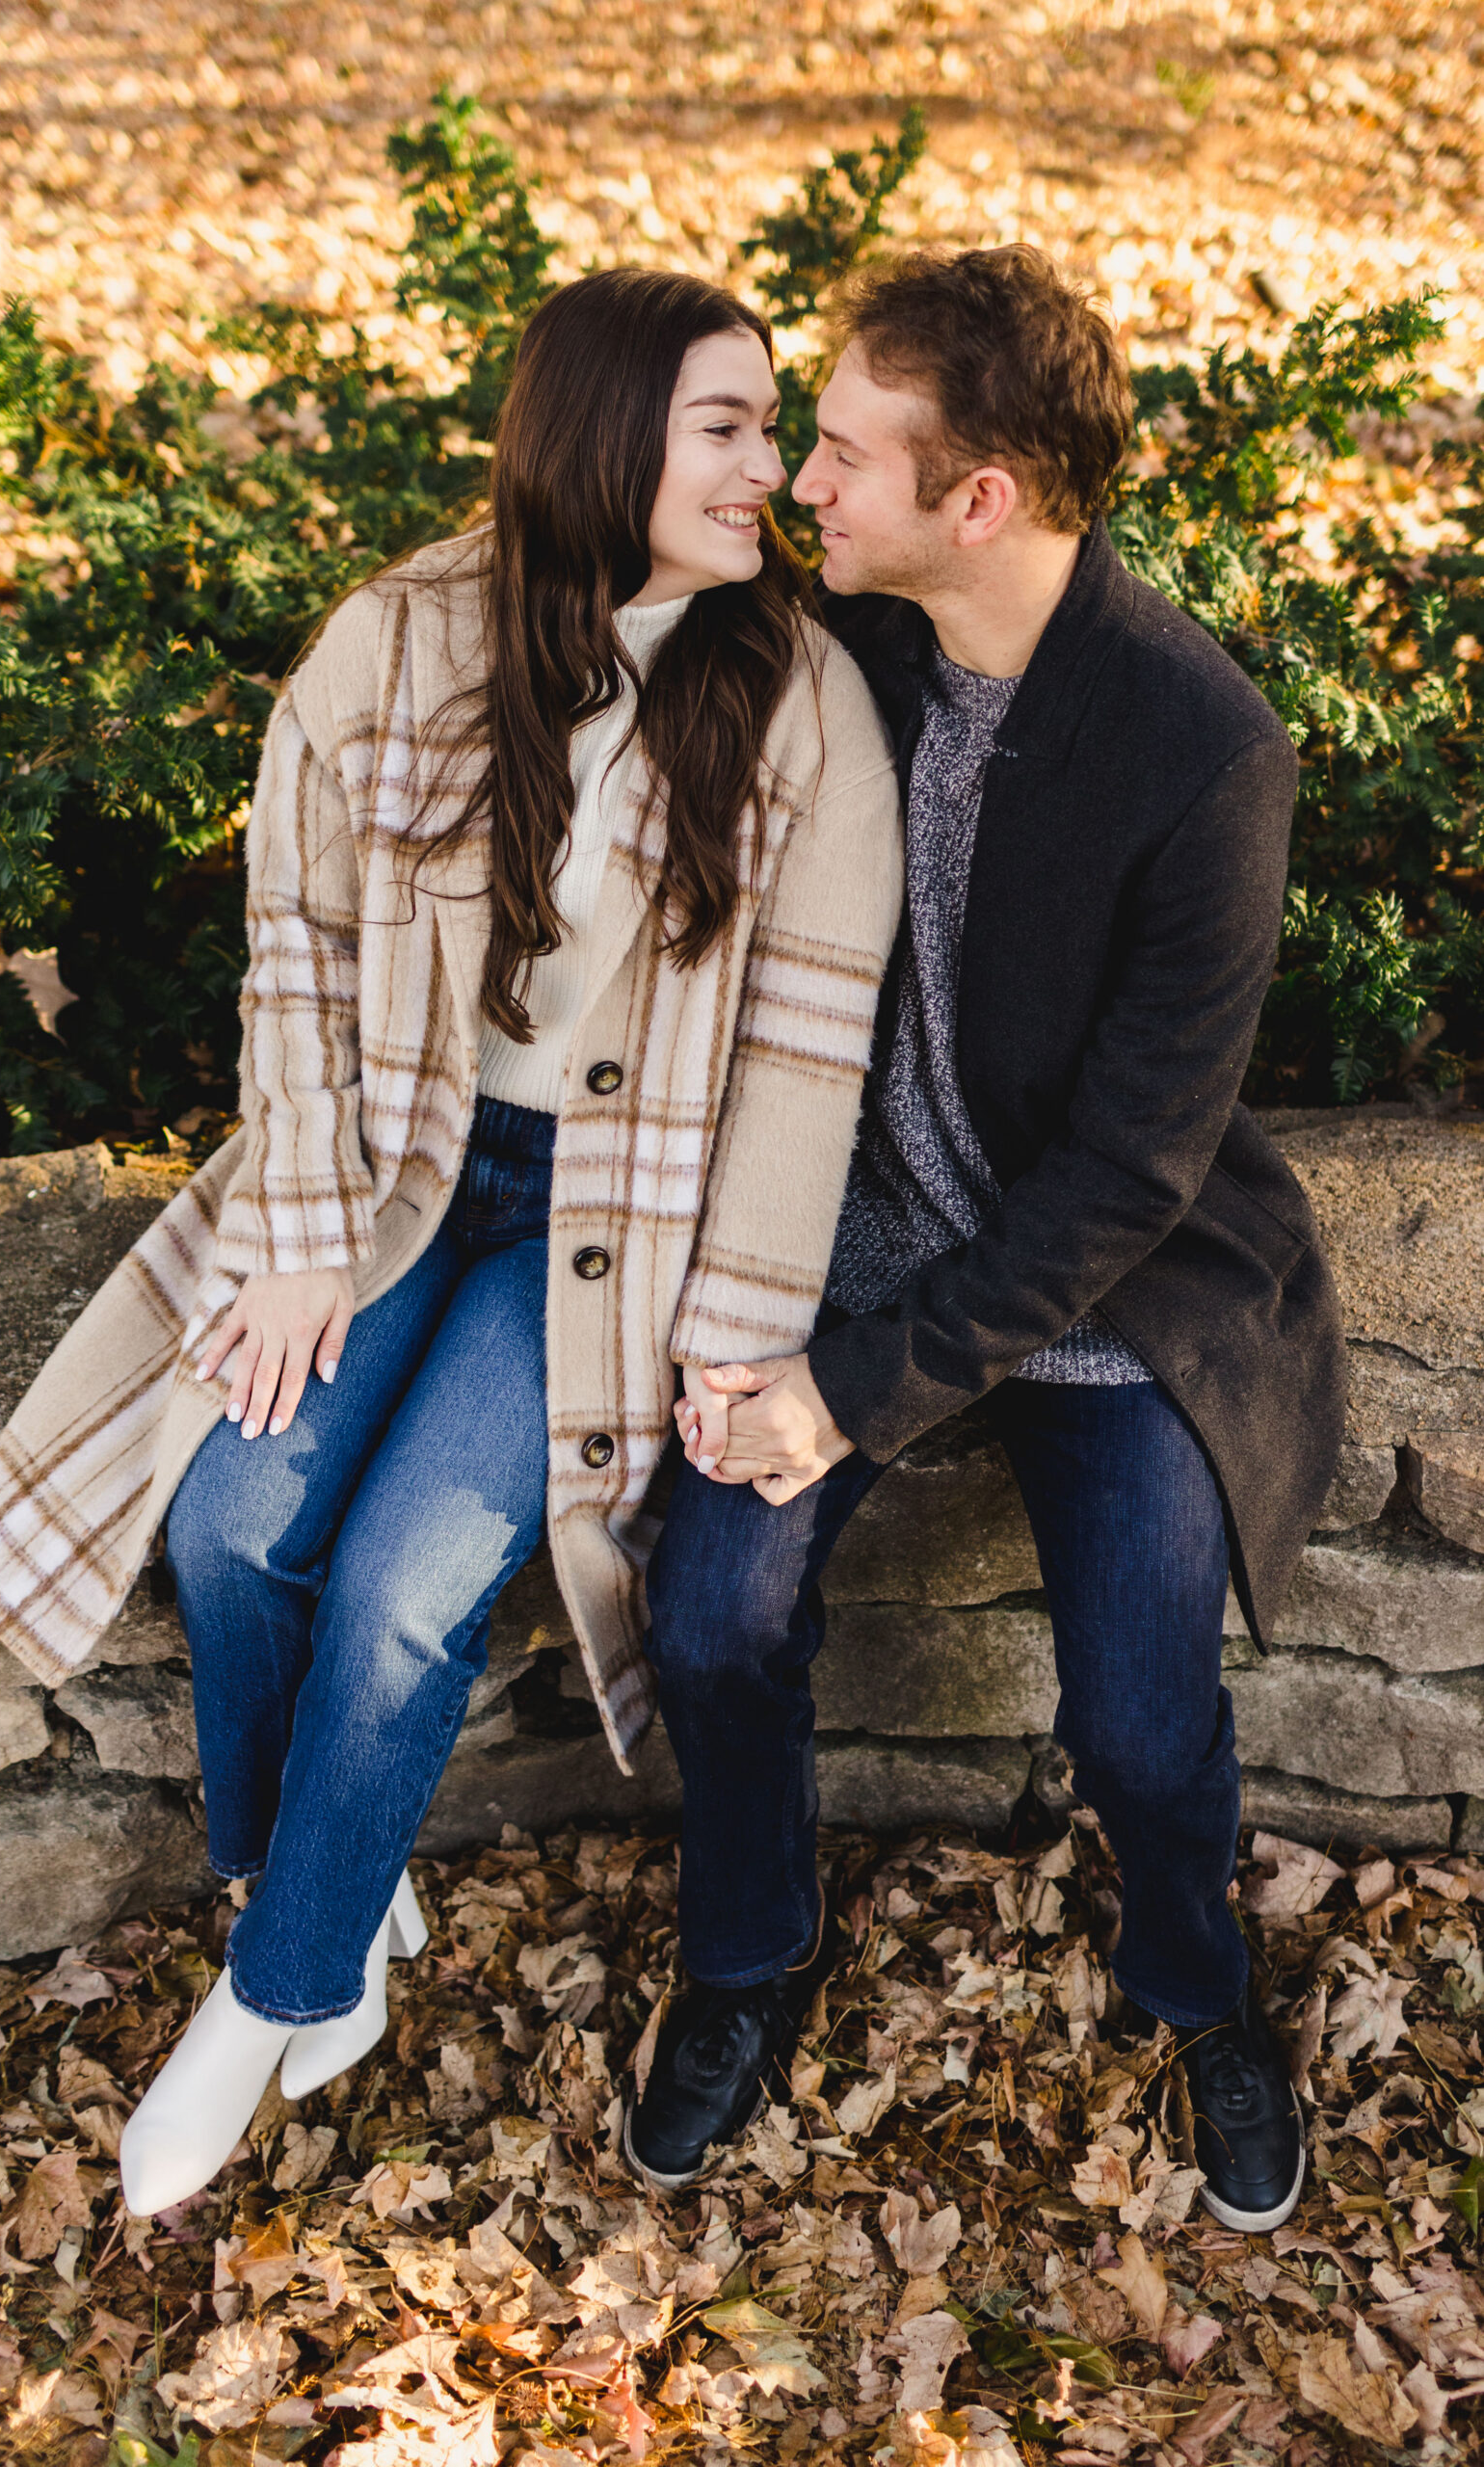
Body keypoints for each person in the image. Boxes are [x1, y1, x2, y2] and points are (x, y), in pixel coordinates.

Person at [0, 267, 903, 2216]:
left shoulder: (801, 702)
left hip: (610, 1233)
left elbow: (811, 1059)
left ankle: (275, 1984)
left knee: (399, 1590)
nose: (767, 471)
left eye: (766, 428)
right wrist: (294, 1229)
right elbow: (289, 954)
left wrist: (729, 1336)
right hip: (393, 1177)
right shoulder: (392, 647)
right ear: (604, 435)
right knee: (226, 1521)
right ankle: (335, 1877)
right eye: (723, 427)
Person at [626, 246, 1347, 2235]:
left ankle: (1199, 1986)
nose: (803, 487)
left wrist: (848, 1398)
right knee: (711, 1614)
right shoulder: (832, 643)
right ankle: (751, 1950)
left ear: (983, 504)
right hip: (845, 1236)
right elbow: (573, 628)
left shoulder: (1200, 748)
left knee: (1134, 1715)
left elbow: (1123, 1180)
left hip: (1101, 1286)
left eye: (846, 457)